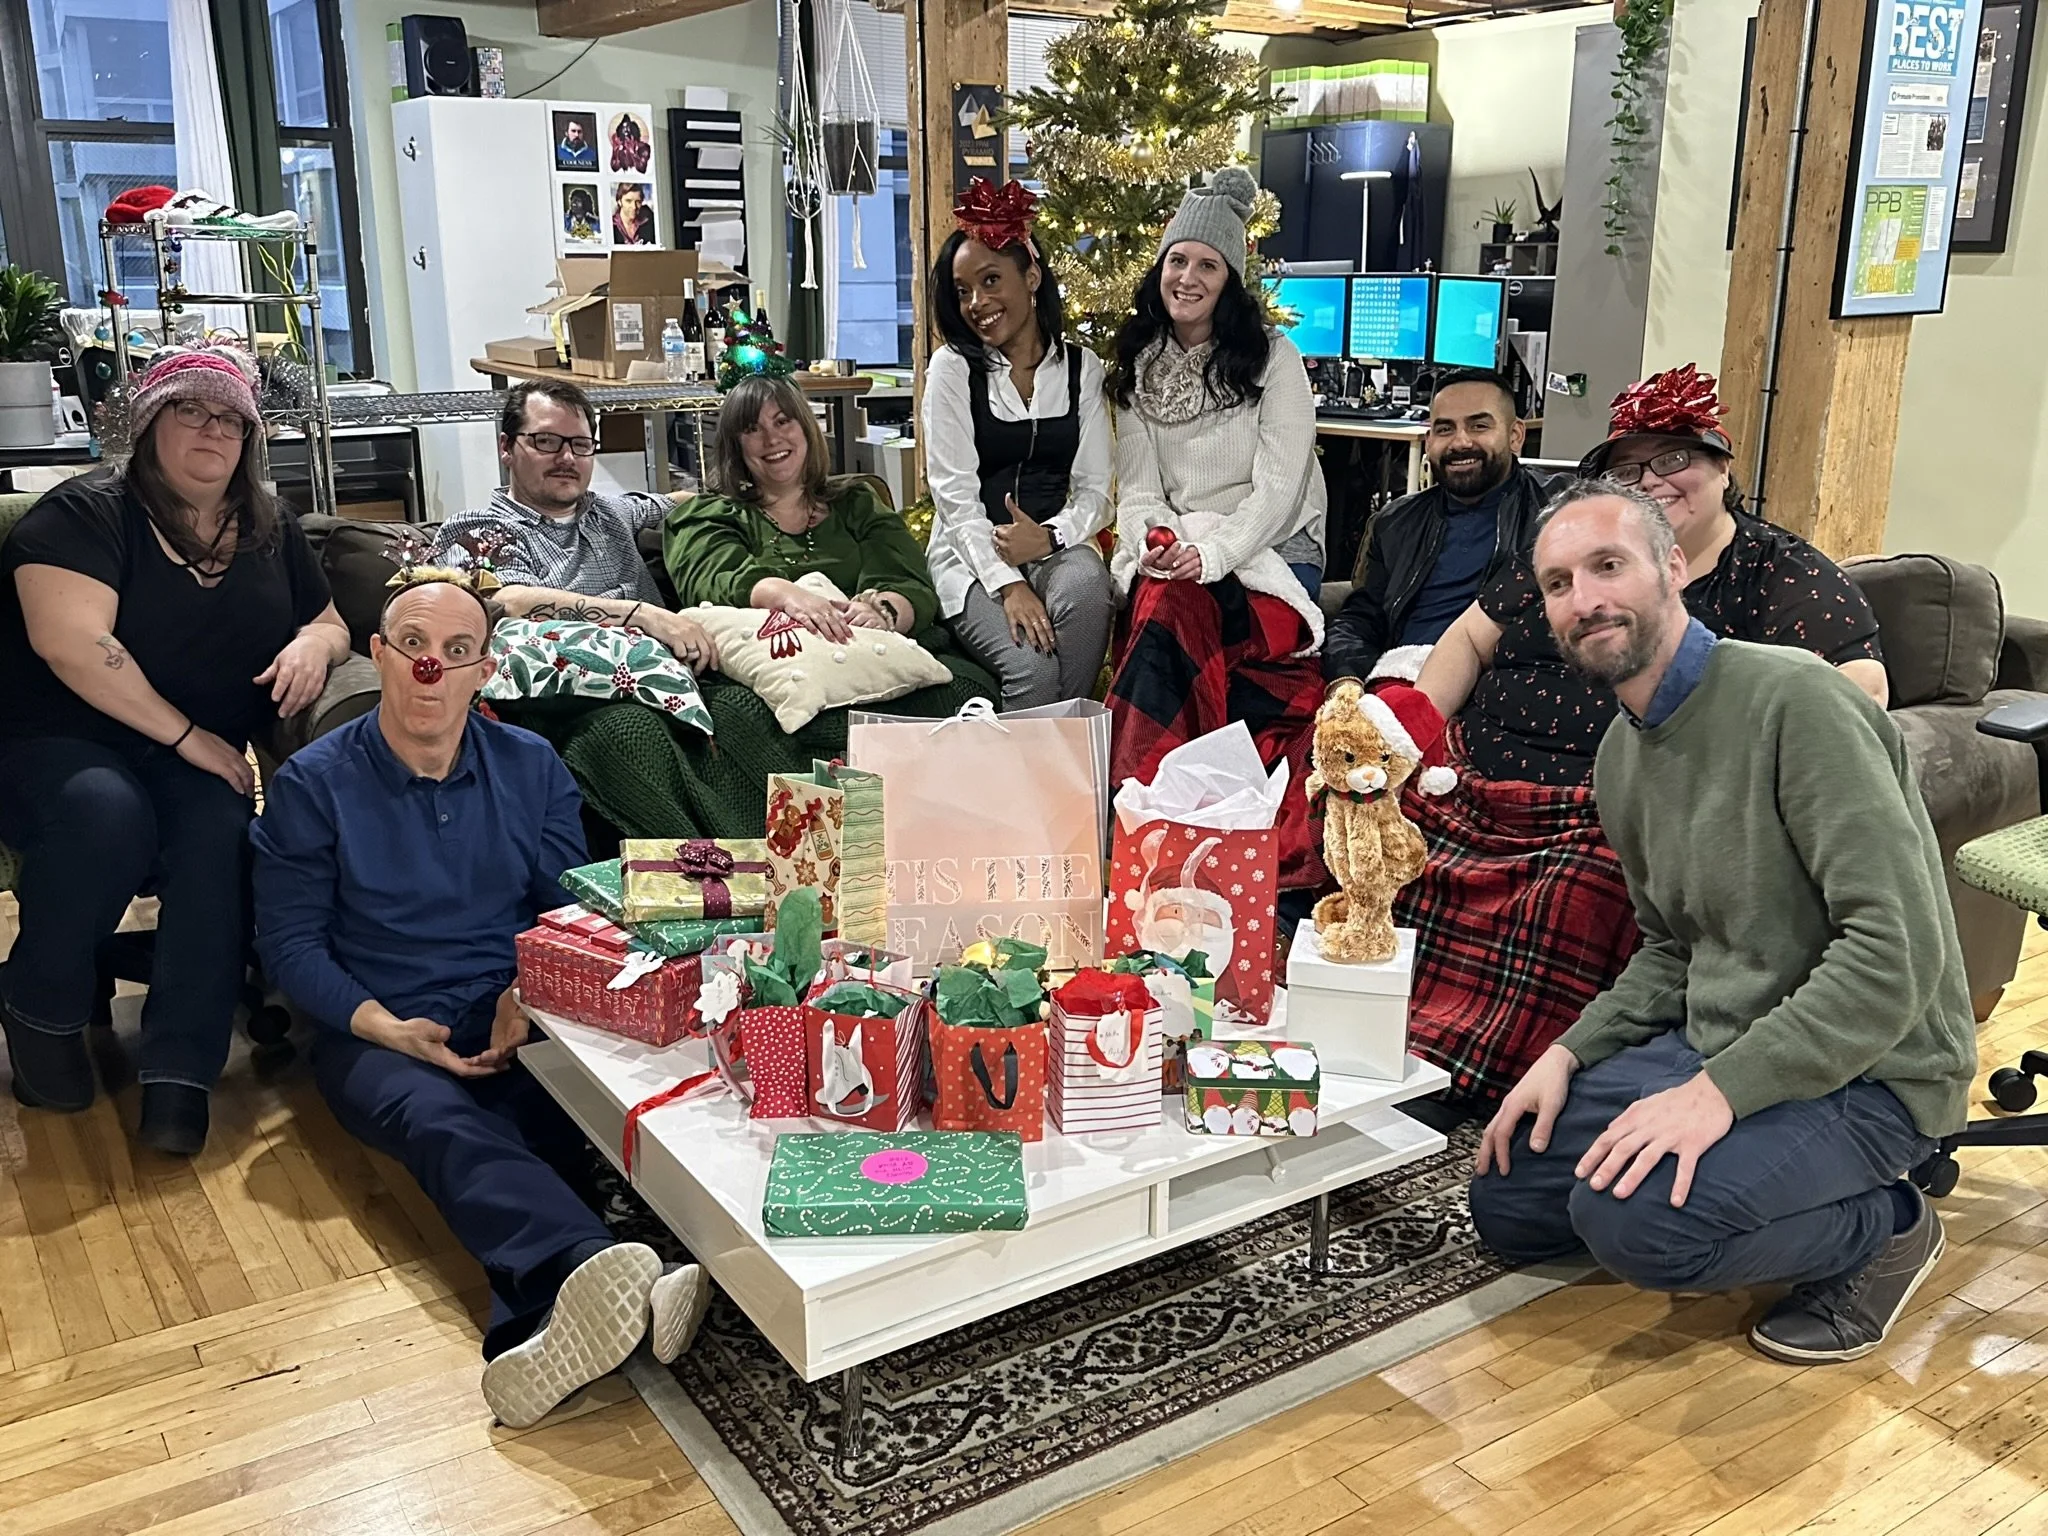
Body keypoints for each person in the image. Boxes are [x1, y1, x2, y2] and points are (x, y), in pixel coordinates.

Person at [1469, 480, 1973, 1365]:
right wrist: (1568, 1054)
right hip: (1722, 1039)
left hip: (1874, 1070)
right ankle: (1753, 1179)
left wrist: (1716, 1097)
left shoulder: (1798, 703)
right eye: (1557, 584)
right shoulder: (1622, 754)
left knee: (1635, 1229)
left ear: (1671, 569)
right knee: (1509, 1199)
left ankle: (1888, 1226)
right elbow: (1671, 946)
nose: (1584, 601)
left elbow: (1894, 955)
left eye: (1607, 566)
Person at [250, 575, 709, 1427]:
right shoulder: (313, 786)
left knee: (558, 1117)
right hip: (376, 1026)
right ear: (380, 658)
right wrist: (384, 1026)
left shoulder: (532, 768)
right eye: (415, 647)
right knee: (447, 1126)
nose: (434, 667)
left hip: (510, 1001)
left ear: (484, 671)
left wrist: (523, 990)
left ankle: (534, 1332)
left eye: (458, 653)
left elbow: (564, 909)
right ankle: (610, 1277)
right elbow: (290, 947)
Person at [1396, 365, 1888, 1108]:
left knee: (1572, 895)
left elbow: (1859, 692)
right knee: (1366, 834)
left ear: (1723, 468)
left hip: (1609, 801)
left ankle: (1472, 1071)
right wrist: (1409, 740)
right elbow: (1468, 637)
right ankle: (1365, 1040)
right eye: (1628, 467)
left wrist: (1731, 787)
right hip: (1475, 774)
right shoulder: (1575, 547)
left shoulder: (1779, 574)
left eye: (1673, 459)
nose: (1650, 479)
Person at [0, 345, 350, 1154]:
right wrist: (191, 737)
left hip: (192, 755)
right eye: (189, 410)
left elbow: (331, 621)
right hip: (53, 740)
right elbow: (73, 646)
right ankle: (38, 1001)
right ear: (151, 423)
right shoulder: (84, 514)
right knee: (106, 812)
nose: (211, 429)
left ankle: (179, 1072)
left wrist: (312, 647)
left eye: (229, 417)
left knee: (217, 836)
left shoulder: (270, 524)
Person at [575, 374, 990, 840]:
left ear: (806, 429)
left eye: (783, 420)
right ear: (735, 446)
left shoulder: (856, 504)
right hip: (767, 672)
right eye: (753, 429)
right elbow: (710, 580)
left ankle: (941, 842)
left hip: (878, 656)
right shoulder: (707, 515)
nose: (772, 439)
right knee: (739, 729)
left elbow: (908, 579)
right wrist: (787, 595)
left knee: (969, 686)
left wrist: (886, 610)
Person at [1107, 167, 1329, 887]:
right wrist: (1154, 545)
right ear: (1161, 267)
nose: (1189, 276)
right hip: (1183, 549)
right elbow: (1139, 492)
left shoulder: (1275, 359)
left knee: (1171, 613)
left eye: (1208, 264)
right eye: (1179, 259)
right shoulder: (1139, 367)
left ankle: (1131, 813)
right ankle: (1169, 821)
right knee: (1163, 601)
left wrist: (1213, 553)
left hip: (1270, 550)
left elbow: (1279, 487)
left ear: (1230, 280)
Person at [922, 179, 1115, 708]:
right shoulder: (953, 369)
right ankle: (1033, 787)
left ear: (1030, 277)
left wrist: (1049, 540)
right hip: (971, 558)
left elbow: (1096, 492)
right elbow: (955, 498)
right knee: (1031, 664)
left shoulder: (1082, 369)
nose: (976, 304)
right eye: (963, 291)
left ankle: (1061, 773)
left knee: (1085, 593)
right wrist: (1009, 583)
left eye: (990, 281)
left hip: (1056, 546)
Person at [1323, 368, 1551, 687]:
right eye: (1445, 429)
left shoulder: (1557, 513)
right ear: (1429, 441)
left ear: (1515, 435)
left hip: (1500, 688)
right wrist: (1349, 679)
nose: (1461, 442)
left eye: (1479, 425)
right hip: (1397, 681)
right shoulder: (1394, 523)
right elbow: (1361, 618)